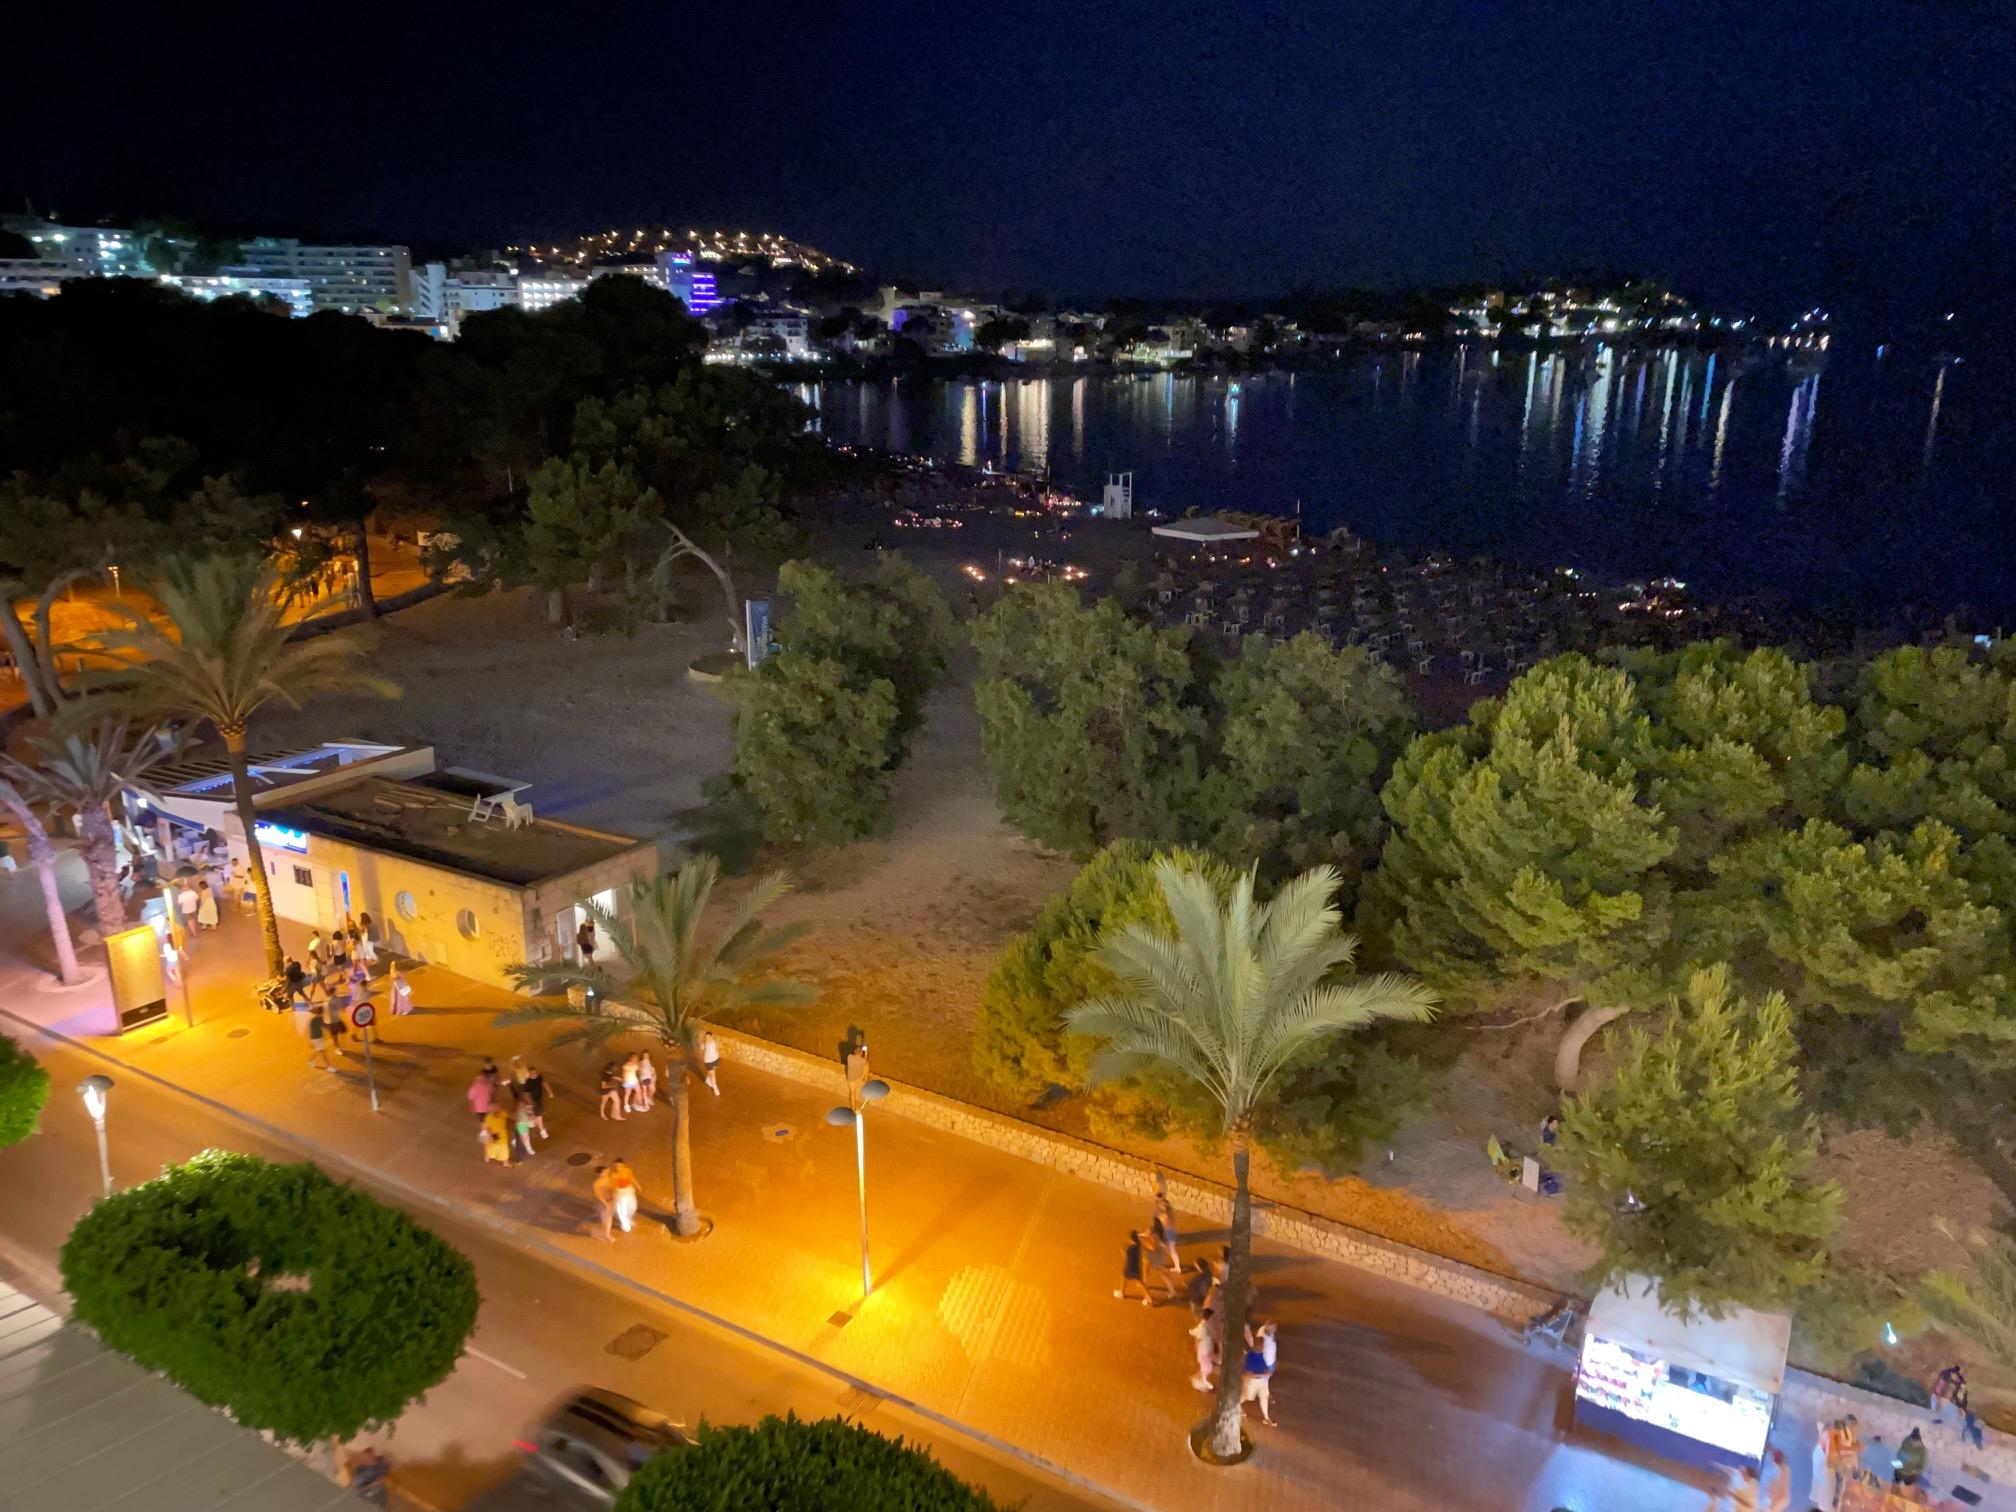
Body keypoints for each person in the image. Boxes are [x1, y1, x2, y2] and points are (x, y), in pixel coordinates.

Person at [1240, 1321, 1278, 1426]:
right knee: (1245, 1396)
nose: (1264, 1348)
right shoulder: (1251, 1357)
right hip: (1252, 1382)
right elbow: (1248, 1374)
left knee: (1264, 1397)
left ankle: (1266, 1418)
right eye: (1263, 1346)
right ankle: (1235, 1406)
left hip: (1262, 1381)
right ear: (1257, 1346)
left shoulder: (1261, 1354)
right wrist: (1265, 1374)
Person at [1114, 1230, 1153, 1306]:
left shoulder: (1131, 1248)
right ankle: (1148, 1298)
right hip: (1137, 1267)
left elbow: (1125, 1257)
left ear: (1131, 1239)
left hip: (1130, 1266)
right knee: (1140, 1282)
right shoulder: (1138, 1245)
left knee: (1123, 1276)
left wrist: (1121, 1250)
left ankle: (1121, 1293)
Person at [1188, 1308, 1218, 1392]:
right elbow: (1199, 1336)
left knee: (1206, 1367)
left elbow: (1195, 1332)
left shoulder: (1205, 1325)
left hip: (1206, 1348)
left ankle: (1202, 1381)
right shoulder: (1204, 1326)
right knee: (1207, 1368)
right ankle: (1203, 1382)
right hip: (1204, 1349)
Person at [519, 1064, 549, 1141]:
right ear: (530, 1074)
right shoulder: (528, 1082)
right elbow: (525, 1094)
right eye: (533, 1073)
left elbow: (544, 1083)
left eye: (535, 1072)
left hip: (538, 1100)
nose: (535, 1074)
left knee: (537, 1116)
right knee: (539, 1115)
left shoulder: (539, 1077)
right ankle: (542, 1130)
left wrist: (549, 1092)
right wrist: (531, 1102)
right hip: (534, 1101)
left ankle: (536, 1128)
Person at [1761, 1447, 1792, 1512]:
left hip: (1779, 1499)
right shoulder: (1780, 1469)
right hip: (1775, 1499)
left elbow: (1782, 1493)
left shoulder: (1784, 1470)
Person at [511, 1086, 538, 1159]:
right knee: (526, 1137)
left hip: (521, 1122)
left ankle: (515, 1141)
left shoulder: (521, 1103)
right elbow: (529, 1113)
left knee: (522, 1135)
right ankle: (529, 1149)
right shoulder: (524, 1104)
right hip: (522, 1123)